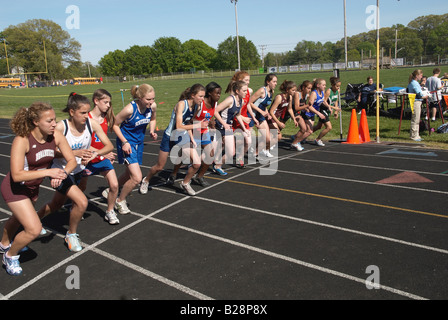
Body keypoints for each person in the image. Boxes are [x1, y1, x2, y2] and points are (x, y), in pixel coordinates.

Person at [0, 103, 75, 275]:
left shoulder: (56, 136)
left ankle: (4, 244)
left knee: (18, 219)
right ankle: (10, 256)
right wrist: (50, 171)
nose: (54, 124)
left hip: (32, 188)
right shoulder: (22, 140)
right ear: (35, 122)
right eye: (49, 121)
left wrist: (61, 174)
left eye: (54, 120)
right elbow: (17, 174)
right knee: (33, 229)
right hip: (14, 188)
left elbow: (71, 160)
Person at [37, 93, 113, 253]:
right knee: (82, 202)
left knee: (57, 204)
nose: (87, 115)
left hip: (78, 170)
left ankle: (34, 220)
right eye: (83, 113)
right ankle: (71, 234)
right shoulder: (61, 127)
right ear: (72, 112)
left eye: (87, 112)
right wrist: (74, 153)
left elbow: (108, 145)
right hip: (62, 171)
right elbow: (49, 151)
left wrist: (93, 154)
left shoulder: (92, 124)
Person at [139, 84, 206, 196]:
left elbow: (188, 123)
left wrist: (192, 138)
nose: (203, 99)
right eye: (201, 96)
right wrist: (198, 125)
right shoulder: (181, 104)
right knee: (160, 166)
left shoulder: (197, 107)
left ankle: (185, 183)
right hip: (170, 136)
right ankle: (146, 180)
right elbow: (179, 126)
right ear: (193, 95)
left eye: (204, 96)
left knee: (196, 163)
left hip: (182, 136)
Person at [113, 84, 157, 211]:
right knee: (137, 178)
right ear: (139, 97)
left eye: (153, 98)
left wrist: (152, 130)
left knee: (129, 173)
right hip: (127, 143)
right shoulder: (129, 109)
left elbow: (153, 119)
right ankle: (120, 200)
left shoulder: (152, 107)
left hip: (139, 143)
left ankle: (111, 189)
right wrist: (125, 142)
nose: (151, 102)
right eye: (148, 99)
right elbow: (115, 125)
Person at [78, 89, 120, 225]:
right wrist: (102, 152)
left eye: (109, 102)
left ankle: (110, 211)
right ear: (96, 101)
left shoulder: (106, 118)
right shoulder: (85, 118)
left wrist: (105, 153)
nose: (108, 105)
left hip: (101, 158)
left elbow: (105, 141)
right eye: (105, 102)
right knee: (81, 188)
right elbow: (83, 144)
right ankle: (77, 206)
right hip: (87, 158)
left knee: (114, 185)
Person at [213, 80, 248, 175]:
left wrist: (244, 129)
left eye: (246, 90)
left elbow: (238, 115)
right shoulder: (230, 100)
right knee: (210, 153)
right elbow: (215, 111)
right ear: (237, 91)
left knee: (231, 152)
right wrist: (223, 124)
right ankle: (190, 164)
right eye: (244, 91)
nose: (246, 92)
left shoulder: (241, 101)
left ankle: (217, 166)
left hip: (228, 128)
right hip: (220, 127)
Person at [192, 81, 222, 186]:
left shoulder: (215, 103)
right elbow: (190, 120)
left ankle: (199, 177)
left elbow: (208, 116)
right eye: (217, 93)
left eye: (220, 93)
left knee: (210, 155)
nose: (219, 95)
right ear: (209, 93)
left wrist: (210, 123)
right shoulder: (200, 104)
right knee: (187, 158)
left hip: (204, 132)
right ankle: (173, 174)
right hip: (193, 132)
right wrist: (199, 124)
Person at [230, 71, 257, 168]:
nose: (248, 82)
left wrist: (253, 116)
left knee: (248, 142)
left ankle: (239, 158)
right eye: (246, 80)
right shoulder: (234, 94)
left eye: (249, 80)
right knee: (235, 142)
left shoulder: (249, 91)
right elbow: (234, 111)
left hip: (245, 119)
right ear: (240, 81)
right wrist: (241, 117)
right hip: (236, 119)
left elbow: (248, 104)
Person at [249, 73, 278, 158]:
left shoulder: (271, 92)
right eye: (274, 81)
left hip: (260, 116)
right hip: (252, 114)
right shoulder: (262, 90)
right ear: (268, 82)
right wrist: (261, 112)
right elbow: (250, 102)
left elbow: (264, 105)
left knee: (267, 138)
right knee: (246, 139)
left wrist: (267, 113)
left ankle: (255, 153)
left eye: (276, 82)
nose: (276, 83)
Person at [268, 80, 298, 149]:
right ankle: (264, 148)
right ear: (287, 90)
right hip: (270, 118)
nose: (295, 92)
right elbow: (271, 111)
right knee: (278, 136)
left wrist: (294, 119)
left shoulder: (290, 97)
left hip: (275, 119)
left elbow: (289, 109)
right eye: (293, 90)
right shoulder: (279, 97)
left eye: (295, 90)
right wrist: (278, 123)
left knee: (271, 137)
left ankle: (265, 148)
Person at [291, 80, 314, 151]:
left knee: (307, 130)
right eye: (308, 88)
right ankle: (295, 142)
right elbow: (297, 107)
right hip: (292, 112)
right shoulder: (297, 94)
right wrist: (307, 105)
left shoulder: (306, 95)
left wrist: (306, 108)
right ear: (303, 87)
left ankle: (296, 141)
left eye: (310, 88)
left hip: (299, 113)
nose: (309, 90)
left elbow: (302, 104)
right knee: (303, 129)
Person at [407, 69, 429, 142]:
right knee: (415, 119)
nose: (422, 77)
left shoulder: (413, 83)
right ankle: (413, 135)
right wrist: (425, 96)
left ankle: (416, 134)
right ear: (417, 76)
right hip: (416, 102)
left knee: (416, 119)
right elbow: (419, 94)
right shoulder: (414, 83)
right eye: (421, 75)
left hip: (416, 102)